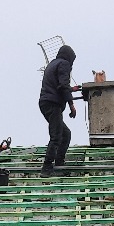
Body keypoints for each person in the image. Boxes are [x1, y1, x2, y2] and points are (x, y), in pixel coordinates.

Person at [38, 43, 78, 174]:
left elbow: (59, 85)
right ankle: (47, 167)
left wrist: (71, 89)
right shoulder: (64, 64)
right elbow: (62, 86)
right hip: (52, 103)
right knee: (56, 136)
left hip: (45, 102)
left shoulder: (52, 64)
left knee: (65, 134)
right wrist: (71, 105)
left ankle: (59, 162)